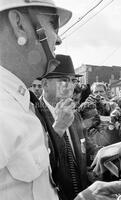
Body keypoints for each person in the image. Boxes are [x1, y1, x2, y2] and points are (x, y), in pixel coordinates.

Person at [0, 0, 72, 199]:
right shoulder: (4, 109)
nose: (58, 39)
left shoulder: (22, 102)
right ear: (19, 25)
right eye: (53, 24)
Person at [41, 54, 91, 200]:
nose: (70, 86)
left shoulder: (75, 115)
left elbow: (87, 149)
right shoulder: (32, 115)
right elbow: (36, 165)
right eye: (63, 80)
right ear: (44, 84)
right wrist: (58, 129)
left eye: (73, 80)